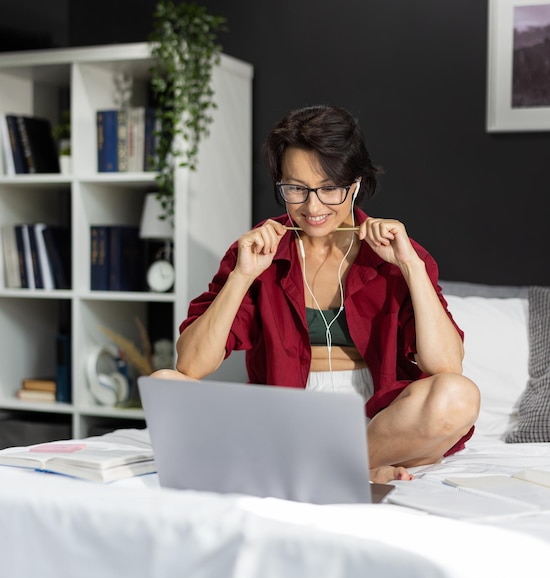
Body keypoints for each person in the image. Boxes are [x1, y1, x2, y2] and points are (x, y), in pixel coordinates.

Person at [153, 104, 480, 484]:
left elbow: (445, 366)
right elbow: (191, 365)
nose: (313, 206)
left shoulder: (398, 252)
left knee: (458, 396)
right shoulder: (258, 250)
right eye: (296, 189)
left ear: (354, 184)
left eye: (329, 189)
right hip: (282, 419)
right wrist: (242, 276)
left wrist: (411, 267)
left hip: (381, 421)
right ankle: (352, 469)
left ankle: (312, 466)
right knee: (164, 383)